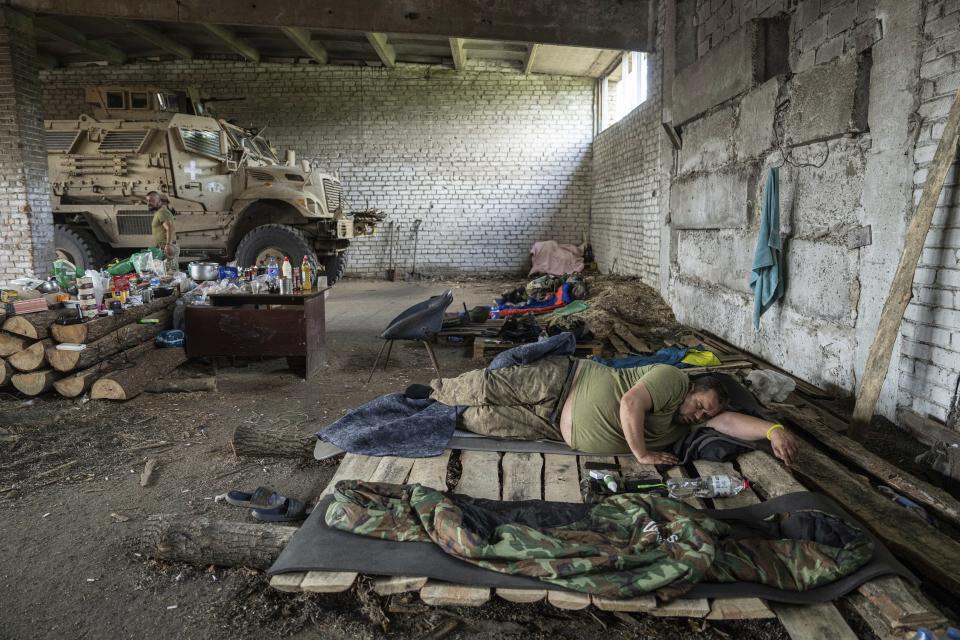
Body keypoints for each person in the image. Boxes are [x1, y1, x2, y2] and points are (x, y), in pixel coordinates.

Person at [429, 356, 798, 466]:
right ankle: (431, 393)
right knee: (486, 386)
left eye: (706, 415)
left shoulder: (686, 426)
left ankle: (427, 414)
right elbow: (630, 402)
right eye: (701, 406)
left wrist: (772, 430)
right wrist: (642, 454)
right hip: (564, 381)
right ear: (694, 388)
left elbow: (730, 421)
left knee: (479, 421)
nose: (700, 416)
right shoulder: (672, 380)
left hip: (551, 427)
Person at [148, 191, 178, 272]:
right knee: (164, 274)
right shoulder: (159, 212)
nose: (149, 203)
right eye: (147, 201)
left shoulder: (162, 212)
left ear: (159, 201)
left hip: (166, 247)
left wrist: (168, 245)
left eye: (152, 200)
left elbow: (169, 228)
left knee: (170, 274)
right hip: (163, 247)